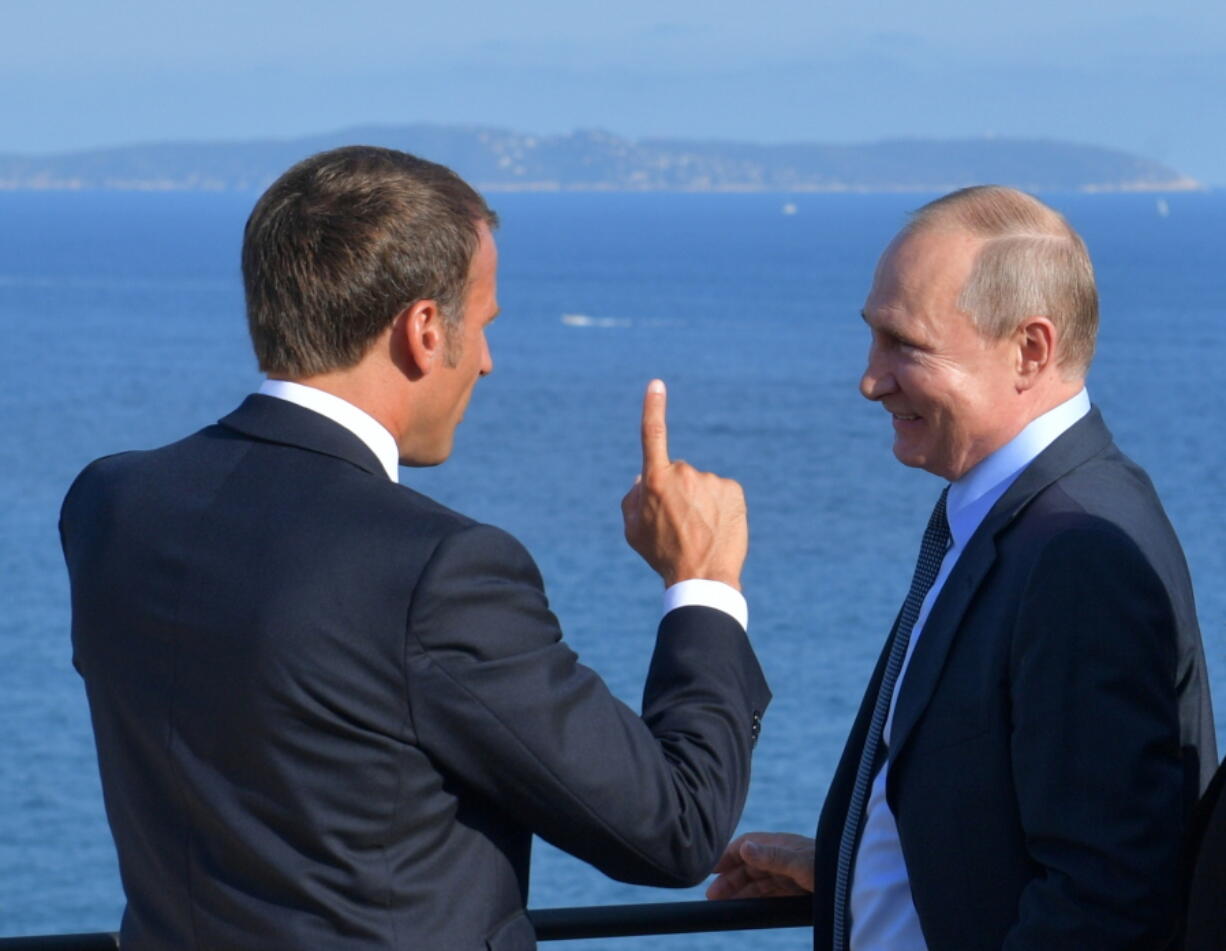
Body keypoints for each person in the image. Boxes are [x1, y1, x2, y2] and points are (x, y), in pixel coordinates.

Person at [59, 146, 771, 951]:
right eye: (486, 324)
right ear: (425, 329)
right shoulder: (439, 569)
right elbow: (674, 826)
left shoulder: (111, 505)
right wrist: (704, 585)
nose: (490, 362)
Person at [706, 185, 1216, 950]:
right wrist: (853, 870)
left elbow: (1102, 900)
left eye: (904, 345)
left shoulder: (1080, 554)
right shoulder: (1010, 512)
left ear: (1030, 349)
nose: (870, 380)